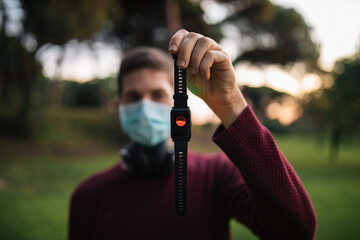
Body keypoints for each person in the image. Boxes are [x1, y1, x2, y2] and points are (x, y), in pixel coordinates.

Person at [68, 29, 317, 240]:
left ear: (178, 105)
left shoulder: (217, 174)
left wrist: (230, 102)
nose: (145, 107)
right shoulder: (88, 196)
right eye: (133, 98)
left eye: (157, 95)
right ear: (118, 108)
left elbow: (297, 231)